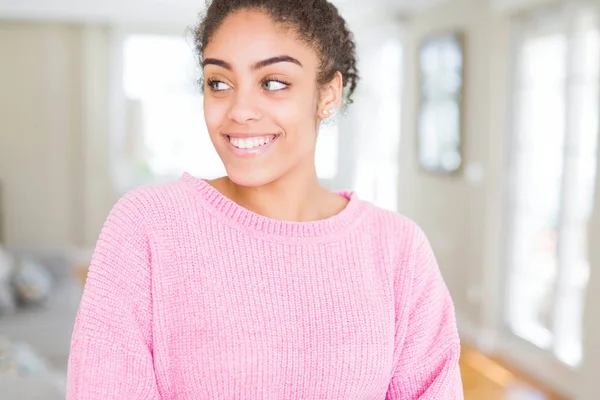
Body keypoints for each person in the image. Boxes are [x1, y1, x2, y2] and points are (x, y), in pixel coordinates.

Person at [66, 0, 463, 398]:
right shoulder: (147, 227)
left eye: (274, 82)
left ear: (328, 93)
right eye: (218, 83)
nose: (239, 110)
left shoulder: (399, 249)